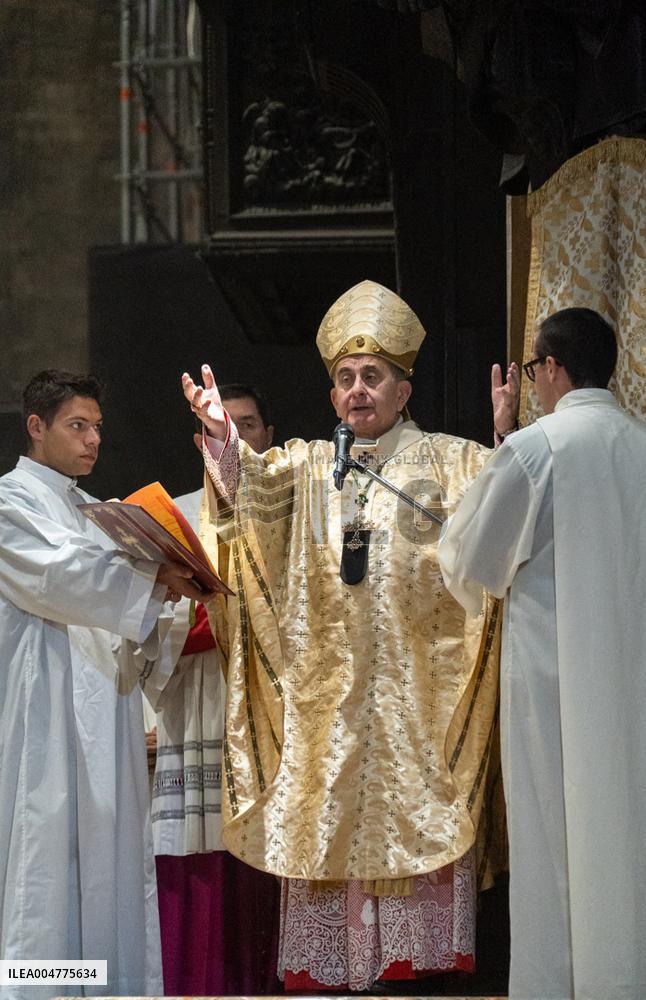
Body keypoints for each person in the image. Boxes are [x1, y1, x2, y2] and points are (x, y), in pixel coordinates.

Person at [182, 279, 519, 992]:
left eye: (372, 377)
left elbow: (506, 532)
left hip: (418, 706)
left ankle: (416, 971)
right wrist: (222, 438)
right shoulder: (306, 466)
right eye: (344, 379)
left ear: (404, 388)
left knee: (416, 925)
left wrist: (508, 445)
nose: (357, 391)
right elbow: (249, 501)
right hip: (328, 707)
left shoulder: (454, 462)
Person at [438, 307, 646, 1000]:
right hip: (645, 685)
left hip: (557, 690)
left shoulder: (540, 449)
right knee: (638, 831)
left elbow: (475, 558)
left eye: (534, 369)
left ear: (553, 367)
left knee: (557, 840)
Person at [0, 370, 208, 999]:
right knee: (49, 863)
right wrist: (152, 577)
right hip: (47, 717)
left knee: (107, 866)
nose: (93, 440)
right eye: (77, 426)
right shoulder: (11, 501)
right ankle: (43, 990)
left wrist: (170, 590)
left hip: (104, 716)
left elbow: (125, 612)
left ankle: (103, 990)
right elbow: (64, 577)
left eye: (97, 428)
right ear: (36, 427)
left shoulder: (90, 511)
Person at [143, 383, 281, 995]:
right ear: (202, 439)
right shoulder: (176, 512)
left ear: (267, 437)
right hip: (199, 700)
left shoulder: (289, 519)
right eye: (222, 426)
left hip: (270, 709)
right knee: (196, 851)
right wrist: (204, 615)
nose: (236, 433)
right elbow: (146, 618)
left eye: (248, 423)